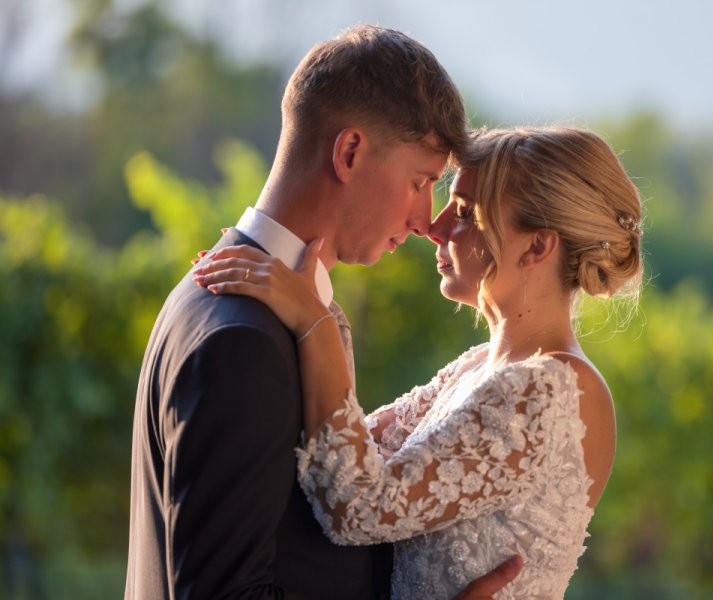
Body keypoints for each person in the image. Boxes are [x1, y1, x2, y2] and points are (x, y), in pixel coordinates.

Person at [125, 25, 521, 599]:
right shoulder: (242, 340)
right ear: (350, 152)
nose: (424, 221)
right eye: (420, 182)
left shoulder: (219, 293)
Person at [192, 126, 644, 598]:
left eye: (466, 212)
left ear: (537, 246)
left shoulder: (548, 390)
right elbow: (341, 455)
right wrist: (287, 278)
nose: (435, 226)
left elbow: (356, 505)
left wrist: (314, 326)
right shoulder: (479, 367)